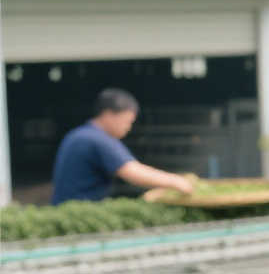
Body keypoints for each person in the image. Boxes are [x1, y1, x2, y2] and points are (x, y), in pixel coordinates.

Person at [50, 88, 196, 205]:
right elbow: (133, 172)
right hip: (80, 213)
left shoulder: (78, 134)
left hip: (64, 208)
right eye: (127, 121)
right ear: (108, 114)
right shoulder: (98, 139)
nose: (128, 128)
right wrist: (177, 181)